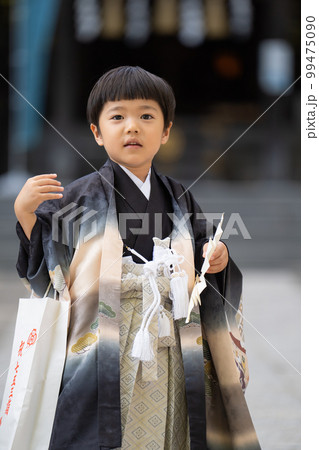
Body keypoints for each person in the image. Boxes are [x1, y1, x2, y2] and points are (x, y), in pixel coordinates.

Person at [14, 66, 260, 449]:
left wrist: (219, 257)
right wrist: (27, 214)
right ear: (96, 131)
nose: (132, 127)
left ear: (165, 132)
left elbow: (205, 249)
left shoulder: (179, 198)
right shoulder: (81, 199)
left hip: (170, 344)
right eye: (118, 116)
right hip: (103, 346)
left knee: (172, 431)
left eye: (146, 116)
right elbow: (50, 264)